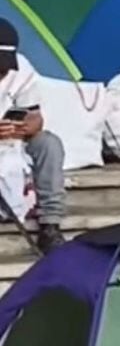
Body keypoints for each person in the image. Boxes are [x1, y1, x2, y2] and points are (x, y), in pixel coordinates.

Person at [0, 18, 65, 252]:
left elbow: (35, 115)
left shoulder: (22, 69)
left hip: (15, 143)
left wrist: (30, 126)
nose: (3, 71)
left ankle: (50, 225)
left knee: (49, 143)